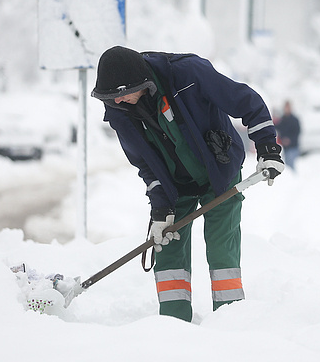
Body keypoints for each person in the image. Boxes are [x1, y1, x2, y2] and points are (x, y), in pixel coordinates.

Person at [91, 46, 284, 322]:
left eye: (121, 94)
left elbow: (246, 102)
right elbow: (145, 164)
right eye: (111, 98)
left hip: (219, 174)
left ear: (142, 82)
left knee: (221, 250)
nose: (118, 102)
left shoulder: (187, 74)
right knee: (168, 252)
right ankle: (172, 325)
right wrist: (160, 210)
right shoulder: (119, 110)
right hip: (175, 187)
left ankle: (231, 321)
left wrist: (267, 147)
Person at [275, 100, 301, 170]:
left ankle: (293, 179)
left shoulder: (294, 120)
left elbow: (297, 133)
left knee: (290, 165)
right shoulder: (282, 120)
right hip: (285, 147)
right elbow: (278, 128)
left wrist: (289, 140)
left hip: (293, 147)